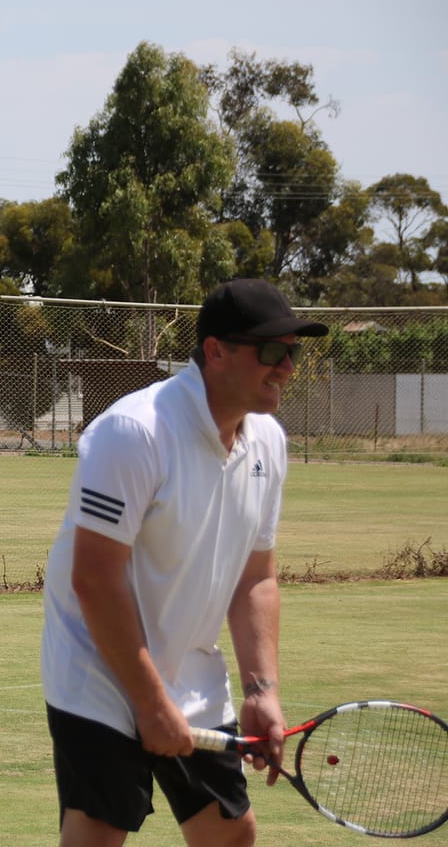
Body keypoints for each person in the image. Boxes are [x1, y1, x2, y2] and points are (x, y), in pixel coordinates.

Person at [40, 279, 329, 845]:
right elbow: (94, 578)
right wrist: (150, 703)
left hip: (192, 675)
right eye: (272, 351)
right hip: (96, 671)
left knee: (231, 835)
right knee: (98, 834)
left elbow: (256, 579)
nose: (287, 367)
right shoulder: (133, 431)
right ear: (215, 351)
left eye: (293, 352)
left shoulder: (269, 443)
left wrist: (261, 691)